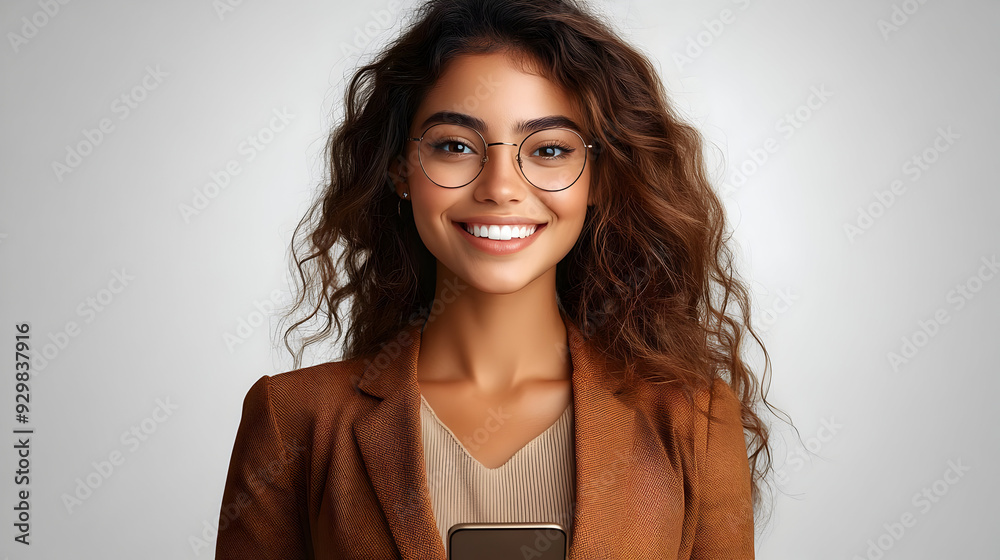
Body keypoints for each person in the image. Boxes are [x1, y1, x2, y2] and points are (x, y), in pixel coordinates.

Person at [215, 0, 779, 558]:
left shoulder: (694, 420)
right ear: (399, 170)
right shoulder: (293, 419)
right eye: (456, 146)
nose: (500, 187)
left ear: (599, 179)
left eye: (550, 149)